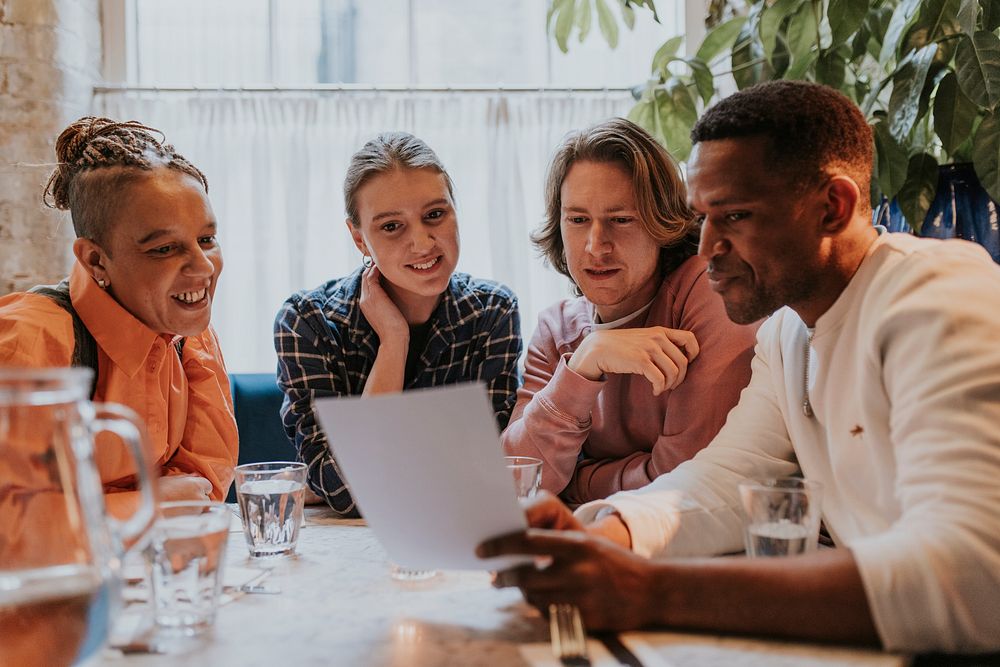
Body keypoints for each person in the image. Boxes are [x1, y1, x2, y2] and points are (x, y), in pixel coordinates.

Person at [479, 81, 1000, 654]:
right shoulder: (787, 331)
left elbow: (975, 575)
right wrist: (600, 537)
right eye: (703, 217)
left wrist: (646, 589)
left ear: (834, 207)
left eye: (735, 217)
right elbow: (726, 481)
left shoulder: (937, 296)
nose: (704, 248)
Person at [501, 118, 757, 504]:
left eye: (620, 220)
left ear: (662, 223)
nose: (595, 245)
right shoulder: (556, 330)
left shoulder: (708, 293)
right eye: (577, 219)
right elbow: (513, 482)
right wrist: (587, 359)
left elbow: (685, 479)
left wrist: (575, 481)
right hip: (602, 540)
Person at [0, 117, 240, 514]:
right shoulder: (26, 341)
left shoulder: (190, 333)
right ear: (96, 259)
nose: (203, 267)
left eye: (206, 239)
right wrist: (146, 502)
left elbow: (201, 489)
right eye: (164, 248)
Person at [275, 132, 522, 516]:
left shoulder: (492, 312)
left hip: (453, 537)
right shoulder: (306, 323)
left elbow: (491, 474)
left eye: (435, 215)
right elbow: (347, 491)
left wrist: (328, 484)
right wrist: (393, 340)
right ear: (359, 238)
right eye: (392, 226)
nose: (423, 242)